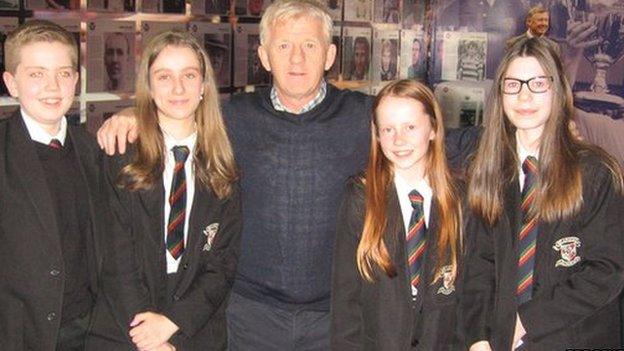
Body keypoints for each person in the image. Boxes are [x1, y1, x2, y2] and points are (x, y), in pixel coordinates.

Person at [95, 1, 479, 349]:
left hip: (334, 318)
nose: (297, 58)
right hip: (248, 316)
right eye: (283, 46)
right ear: (263, 55)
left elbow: (440, 140)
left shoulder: (365, 117)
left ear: (329, 55)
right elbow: (177, 111)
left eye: (310, 46)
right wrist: (131, 117)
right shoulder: (232, 118)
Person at [461, 37, 624, 350]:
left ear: (558, 90)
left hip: (576, 338)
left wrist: (525, 320)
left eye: (537, 83)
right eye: (513, 84)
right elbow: (478, 267)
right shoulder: (488, 173)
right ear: (499, 93)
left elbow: (607, 270)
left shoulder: (595, 172)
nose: (524, 95)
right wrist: (478, 336)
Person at [87, 31, 241, 351]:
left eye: (189, 75)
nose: (178, 87)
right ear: (149, 86)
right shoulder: (121, 155)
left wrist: (174, 323)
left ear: (204, 86)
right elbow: (115, 257)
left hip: (196, 329)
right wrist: (149, 337)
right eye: (164, 76)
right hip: (125, 328)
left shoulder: (224, 163)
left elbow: (223, 265)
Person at [0, 19, 109, 350]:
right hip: (20, 334)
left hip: (93, 330)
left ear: (76, 80)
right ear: (11, 83)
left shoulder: (95, 148)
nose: (53, 86)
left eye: (63, 73)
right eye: (36, 74)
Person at [331, 79, 464, 350]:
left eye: (410, 127)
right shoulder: (361, 198)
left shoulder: (461, 199)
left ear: (433, 129)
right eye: (388, 129)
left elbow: (471, 293)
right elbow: (346, 300)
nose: (398, 140)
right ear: (377, 135)